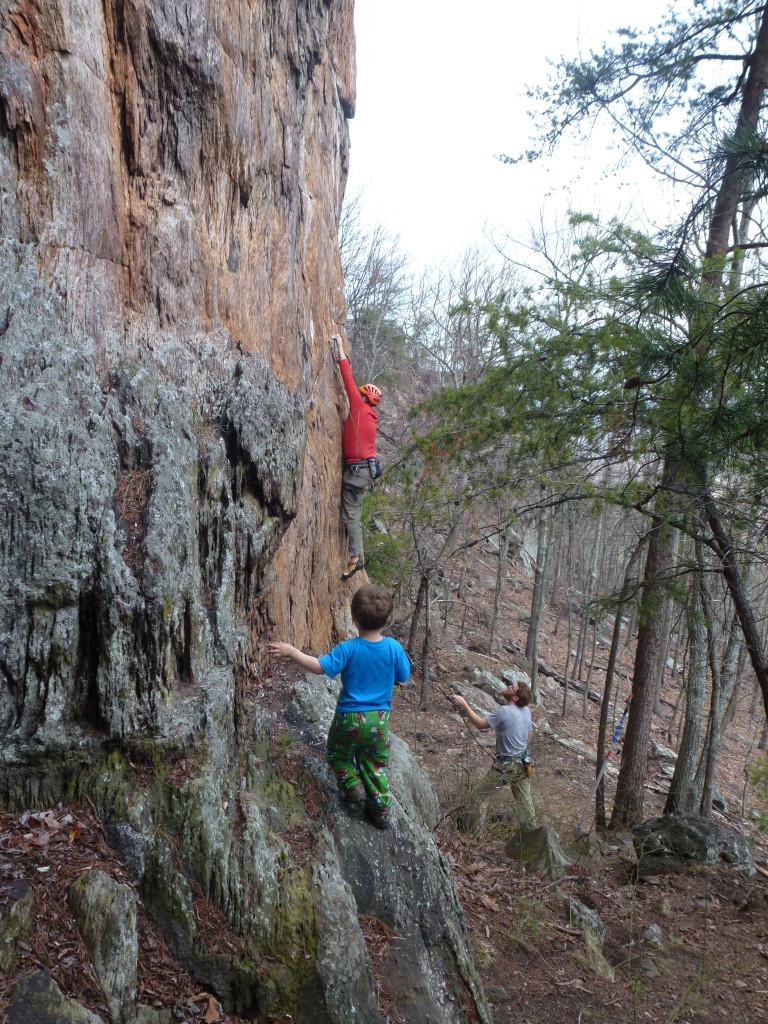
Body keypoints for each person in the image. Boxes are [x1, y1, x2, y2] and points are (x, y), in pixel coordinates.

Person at [268, 583, 410, 829]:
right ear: (386, 620)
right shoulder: (394, 648)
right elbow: (404, 676)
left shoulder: (348, 649)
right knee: (373, 763)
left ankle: (351, 783)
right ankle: (380, 809)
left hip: (349, 718)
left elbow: (320, 667)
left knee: (337, 752)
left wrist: (292, 651)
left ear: (353, 618)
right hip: (378, 720)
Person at [450, 682, 536, 834]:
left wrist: (464, 704)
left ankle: (475, 838)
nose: (509, 686)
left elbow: (481, 724)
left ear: (515, 697)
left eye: (512, 687)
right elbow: (529, 736)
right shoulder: (526, 711)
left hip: (506, 766)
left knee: (479, 798)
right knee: (525, 805)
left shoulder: (504, 711)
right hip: (523, 764)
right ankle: (534, 839)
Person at [330, 333, 382, 581]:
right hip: (365, 470)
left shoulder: (359, 407)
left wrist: (340, 348)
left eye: (360, 394)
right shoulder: (370, 415)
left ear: (363, 398)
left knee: (350, 514)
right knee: (354, 512)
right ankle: (355, 555)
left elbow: (347, 378)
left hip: (357, 471)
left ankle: (355, 557)